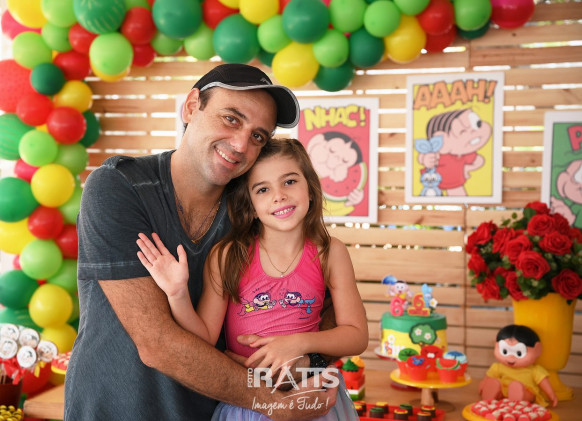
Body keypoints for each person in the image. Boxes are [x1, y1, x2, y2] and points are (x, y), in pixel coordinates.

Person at [65, 64, 339, 420]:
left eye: (258, 136)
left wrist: (308, 359)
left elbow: (328, 308)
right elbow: (157, 343)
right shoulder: (120, 186)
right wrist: (273, 403)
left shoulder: (255, 207)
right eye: (231, 119)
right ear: (192, 106)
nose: (241, 144)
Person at [136, 138, 369, 420]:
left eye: (290, 181)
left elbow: (356, 336)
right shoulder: (228, 255)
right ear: (251, 205)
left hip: (311, 395)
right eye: (263, 189)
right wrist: (177, 294)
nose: (279, 196)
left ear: (310, 189)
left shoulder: (330, 252)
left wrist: (298, 343)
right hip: (248, 403)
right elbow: (203, 338)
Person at [479, 324, 558, 407]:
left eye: (519, 353)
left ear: (537, 350)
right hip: (504, 391)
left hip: (527, 392)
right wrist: (483, 386)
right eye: (505, 352)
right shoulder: (498, 367)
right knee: (494, 383)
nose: (511, 357)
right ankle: (491, 395)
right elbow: (488, 377)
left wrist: (551, 395)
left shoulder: (535, 370)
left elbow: (544, 382)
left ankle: (518, 398)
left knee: (524, 392)